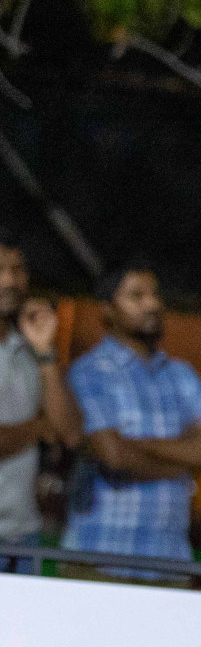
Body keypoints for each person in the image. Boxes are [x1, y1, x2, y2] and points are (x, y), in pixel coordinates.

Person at [63, 264, 201, 579]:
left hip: (169, 564)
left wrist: (132, 444)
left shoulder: (179, 373)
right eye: (136, 296)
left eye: (155, 295)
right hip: (100, 559)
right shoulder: (90, 371)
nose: (152, 304)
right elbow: (113, 457)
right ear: (108, 311)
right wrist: (185, 464)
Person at [0, 232, 83, 572]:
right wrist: (41, 425)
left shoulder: (29, 351)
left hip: (23, 538)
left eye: (18, 270)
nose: (9, 280)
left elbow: (72, 434)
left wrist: (47, 352)